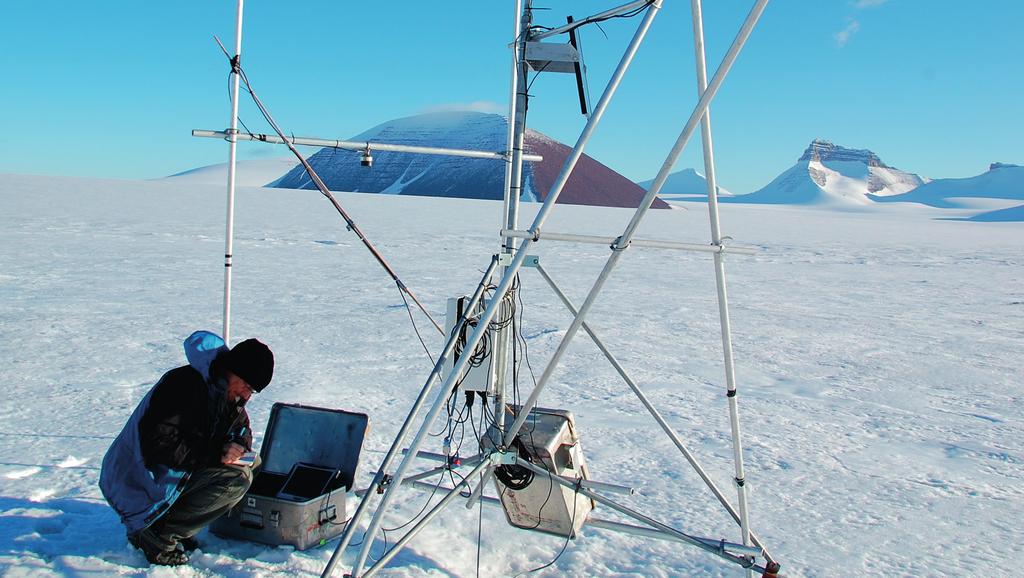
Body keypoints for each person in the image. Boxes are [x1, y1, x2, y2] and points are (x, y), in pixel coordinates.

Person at [99, 330, 274, 566]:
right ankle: (156, 533)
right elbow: (160, 445)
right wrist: (215, 454)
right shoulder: (184, 386)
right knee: (236, 479)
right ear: (231, 370)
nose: (246, 395)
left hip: (166, 475)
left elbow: (241, 428)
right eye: (245, 385)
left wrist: (238, 446)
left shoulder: (225, 392)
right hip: (136, 480)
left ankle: (174, 524)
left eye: (251, 391)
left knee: (252, 463)